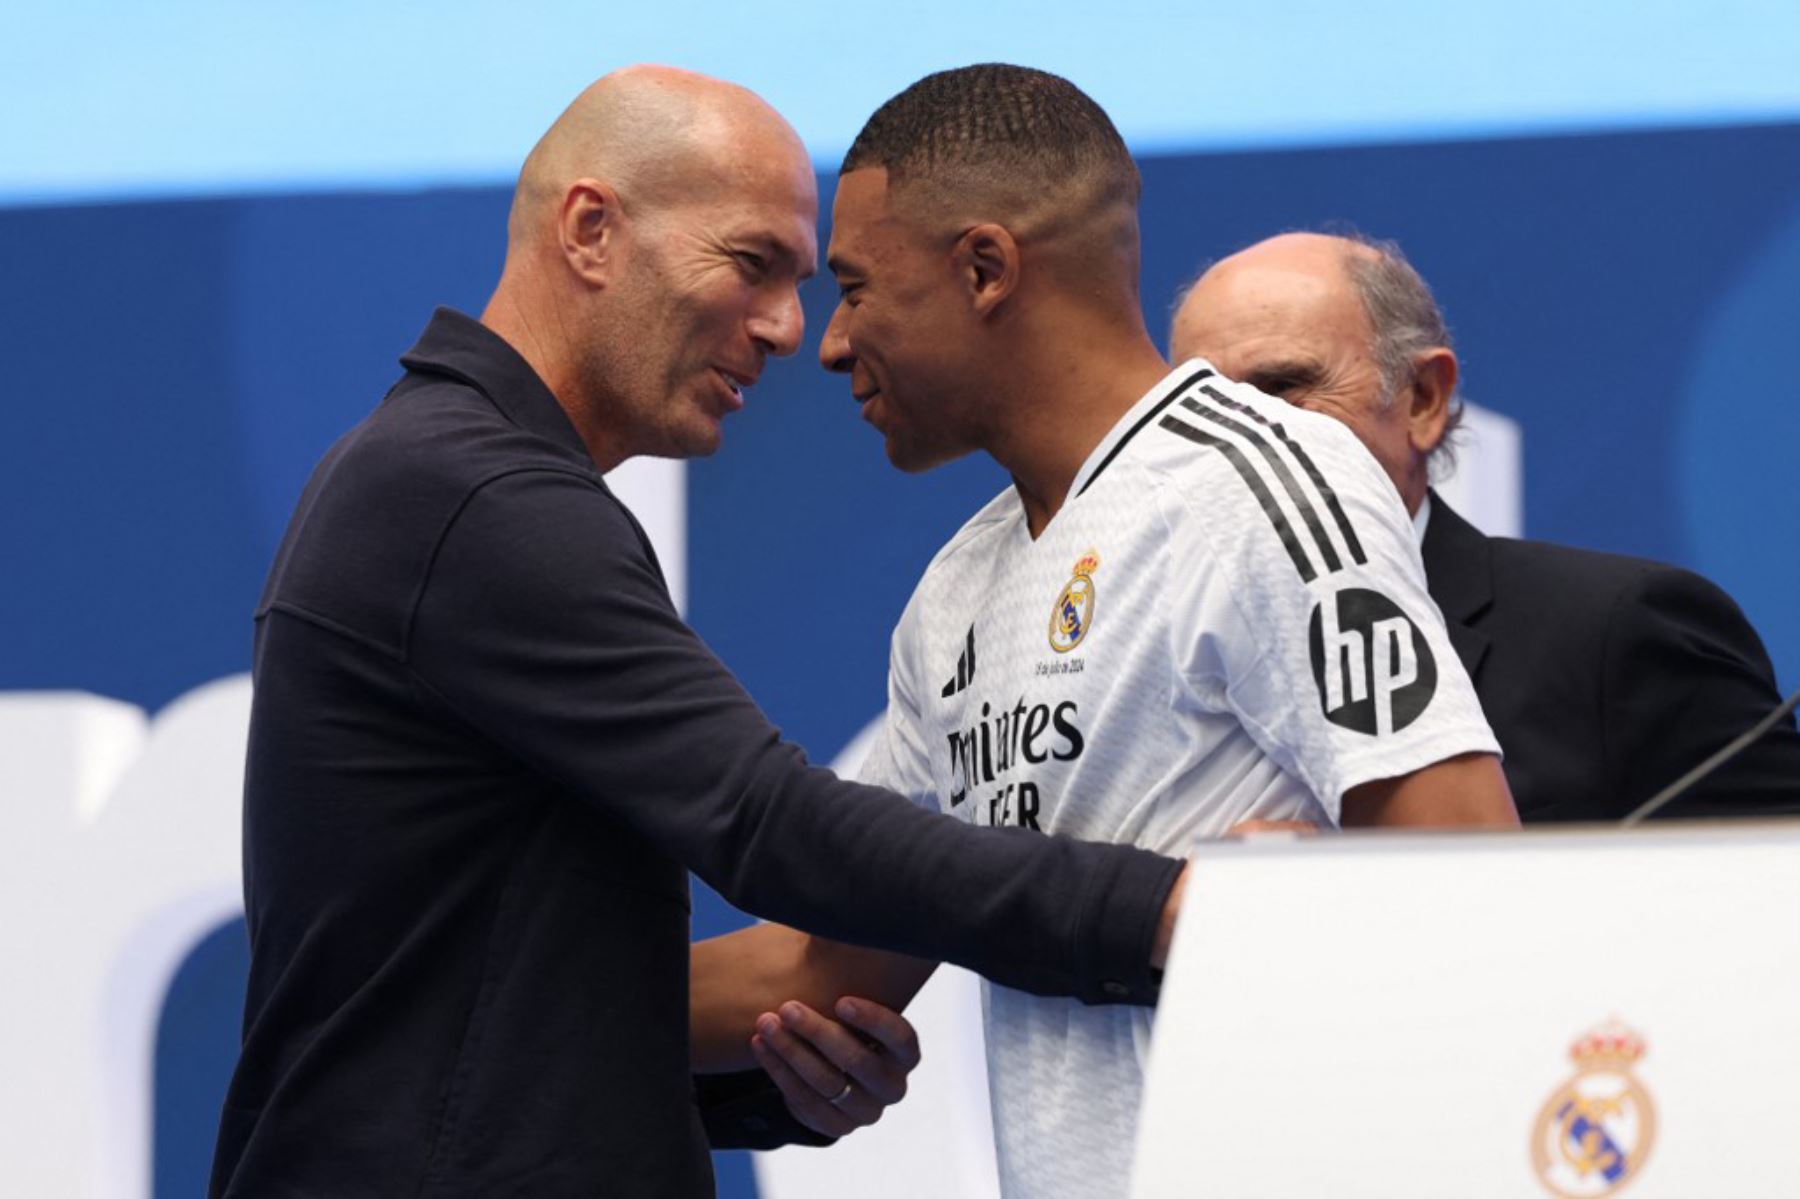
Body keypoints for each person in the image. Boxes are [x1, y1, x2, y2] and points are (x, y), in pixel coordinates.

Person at [209, 66, 1195, 1199]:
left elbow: (470, 991)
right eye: (752, 263)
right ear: (591, 230)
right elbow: (767, 822)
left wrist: (744, 1083)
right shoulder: (475, 497)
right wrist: (1172, 909)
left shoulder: (449, 479)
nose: (789, 331)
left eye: (805, 280)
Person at [702, 65, 1517, 1199]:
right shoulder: (953, 595)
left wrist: (1293, 916)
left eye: (855, 288)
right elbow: (816, 965)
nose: (830, 344)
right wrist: (473, 1005)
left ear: (984, 268)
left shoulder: (1263, 479)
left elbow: (1474, 883)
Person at [1168, 230, 1800, 820]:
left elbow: (1769, 893)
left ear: (1423, 399)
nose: (1236, 438)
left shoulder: (1616, 634)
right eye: (1202, 408)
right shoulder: (1137, 654)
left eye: (1282, 386)